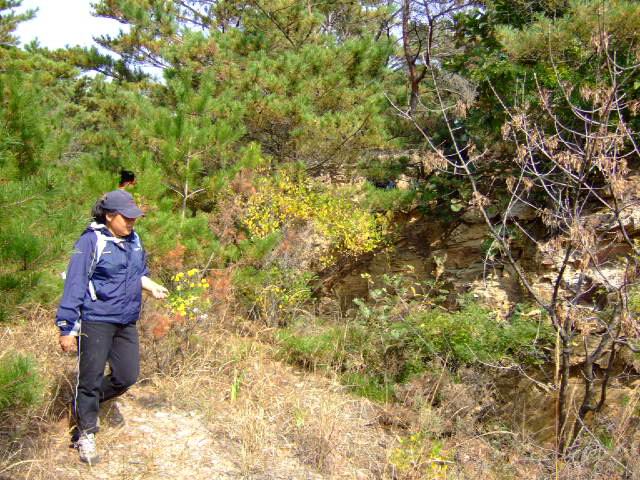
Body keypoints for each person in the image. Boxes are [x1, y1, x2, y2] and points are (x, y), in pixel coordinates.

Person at [56, 190, 168, 465]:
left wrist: (151, 286)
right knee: (91, 377)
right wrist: (67, 327)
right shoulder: (90, 241)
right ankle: (85, 432)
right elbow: (75, 284)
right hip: (96, 319)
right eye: (126, 218)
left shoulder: (134, 240)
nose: (132, 222)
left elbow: (138, 273)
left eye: (134, 217)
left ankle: (83, 404)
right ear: (109, 216)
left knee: (126, 376)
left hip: (126, 319)